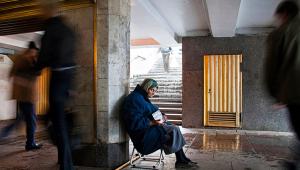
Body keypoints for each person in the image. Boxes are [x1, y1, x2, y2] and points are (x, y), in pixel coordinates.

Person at [36, 1, 76, 170]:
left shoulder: (50, 29)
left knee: (56, 120)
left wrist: (36, 69)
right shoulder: (67, 29)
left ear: (47, 11)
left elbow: (45, 55)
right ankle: (63, 159)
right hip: (69, 76)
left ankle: (67, 165)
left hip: (58, 76)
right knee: (59, 119)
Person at [122, 78, 198, 168]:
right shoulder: (135, 99)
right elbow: (133, 123)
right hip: (142, 137)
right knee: (174, 130)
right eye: (152, 90)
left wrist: (162, 116)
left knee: (173, 128)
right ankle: (181, 159)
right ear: (147, 88)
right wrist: (152, 122)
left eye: (155, 90)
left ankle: (182, 159)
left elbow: (150, 110)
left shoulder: (141, 97)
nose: (154, 93)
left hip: (148, 130)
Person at [265, 1, 300, 169]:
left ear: (284, 13)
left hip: (295, 92)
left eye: (278, 17)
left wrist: (275, 94)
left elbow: (271, 67)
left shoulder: (281, 33)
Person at [0, 41, 42, 151]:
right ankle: (30, 144)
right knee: (30, 120)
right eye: (34, 52)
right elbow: (14, 75)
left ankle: (30, 142)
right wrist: (25, 82)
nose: (34, 54)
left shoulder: (25, 58)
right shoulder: (24, 59)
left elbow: (36, 73)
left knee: (22, 119)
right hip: (26, 95)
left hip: (24, 95)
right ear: (31, 50)